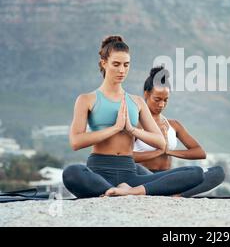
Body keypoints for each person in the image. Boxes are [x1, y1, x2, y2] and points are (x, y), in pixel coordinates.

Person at [62, 36, 204, 198]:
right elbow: (76, 142)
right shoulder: (86, 99)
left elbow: (159, 142)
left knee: (195, 172)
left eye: (126, 65)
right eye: (116, 64)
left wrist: (131, 129)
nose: (122, 70)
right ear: (104, 63)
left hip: (130, 174)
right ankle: (111, 189)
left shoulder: (137, 102)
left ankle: (130, 191)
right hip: (98, 170)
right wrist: (115, 128)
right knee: (72, 172)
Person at [133, 66, 225, 197]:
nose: (161, 105)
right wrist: (157, 152)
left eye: (165, 100)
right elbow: (125, 156)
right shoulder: (136, 123)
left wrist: (168, 151)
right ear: (146, 94)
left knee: (217, 172)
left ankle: (176, 194)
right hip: (144, 177)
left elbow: (199, 152)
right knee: (138, 171)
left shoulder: (173, 125)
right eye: (157, 99)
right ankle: (170, 192)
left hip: (168, 176)